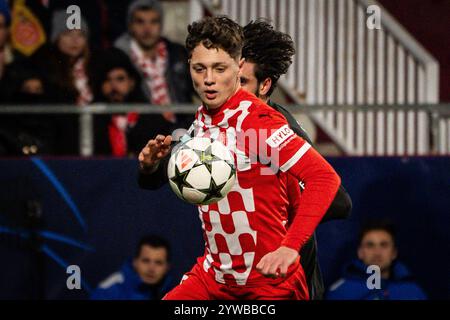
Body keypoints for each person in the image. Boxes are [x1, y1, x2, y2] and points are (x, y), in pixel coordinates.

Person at [138, 16, 341, 300]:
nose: (208, 79)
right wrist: (150, 166)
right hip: (215, 278)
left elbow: (325, 178)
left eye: (220, 69)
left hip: (269, 286)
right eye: (200, 69)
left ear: (238, 66)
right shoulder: (203, 118)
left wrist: (290, 247)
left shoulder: (257, 121)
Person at [239, 19, 352, 300]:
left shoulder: (281, 130)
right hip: (237, 276)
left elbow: (339, 202)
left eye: (242, 81)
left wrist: (278, 218)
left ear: (264, 85)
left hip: (286, 282)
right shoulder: (225, 119)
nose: (230, 87)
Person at [114, 0, 195, 129]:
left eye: (154, 21)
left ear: (161, 24)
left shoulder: (177, 53)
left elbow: (197, 87)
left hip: (182, 125)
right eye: (140, 22)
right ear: (130, 26)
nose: (147, 29)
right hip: (140, 130)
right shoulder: (119, 57)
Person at [326, 220, 427, 300]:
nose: (377, 252)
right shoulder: (342, 292)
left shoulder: (413, 291)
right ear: (360, 252)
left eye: (384, 245)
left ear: (394, 253)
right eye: (370, 245)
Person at [90, 235, 174, 300]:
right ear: (135, 262)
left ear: (167, 267)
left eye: (158, 263)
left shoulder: (175, 292)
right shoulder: (110, 291)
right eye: (145, 261)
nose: (151, 268)